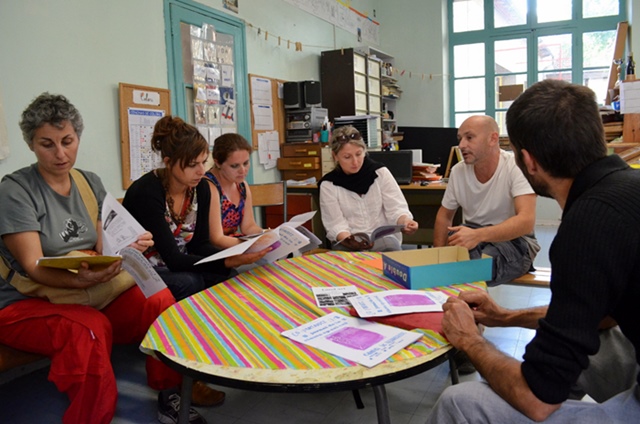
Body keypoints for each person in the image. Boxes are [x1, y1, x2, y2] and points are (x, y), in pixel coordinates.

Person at [426, 80, 640, 423]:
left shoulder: (586, 225)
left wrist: (469, 340)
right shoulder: (628, 187)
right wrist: (503, 317)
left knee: (459, 401)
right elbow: (606, 315)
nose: (463, 144)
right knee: (569, 356)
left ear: (528, 161)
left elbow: (537, 399)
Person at [0, 93, 204, 424]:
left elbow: (106, 241)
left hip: (86, 289)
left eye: (67, 140)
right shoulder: (16, 190)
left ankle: (171, 393)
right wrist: (80, 276)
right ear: (31, 145)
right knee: (89, 329)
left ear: (78, 136)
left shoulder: (88, 182)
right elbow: (33, 267)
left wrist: (133, 243)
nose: (61, 153)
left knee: (158, 297)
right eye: (46, 144)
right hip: (25, 302)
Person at [123, 116, 269, 302]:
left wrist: (235, 255)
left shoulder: (200, 188)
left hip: (179, 263)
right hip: (145, 268)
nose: (201, 171)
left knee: (229, 275)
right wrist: (227, 260)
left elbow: (200, 244)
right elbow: (173, 259)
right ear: (168, 162)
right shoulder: (147, 192)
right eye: (193, 165)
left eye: (203, 162)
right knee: (190, 282)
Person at [434, 115, 540, 286]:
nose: (461, 145)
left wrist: (478, 235)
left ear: (493, 139)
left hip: (515, 240)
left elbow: (526, 221)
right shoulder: (458, 171)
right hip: (473, 233)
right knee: (454, 257)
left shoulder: (516, 167)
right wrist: (437, 256)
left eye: (469, 138)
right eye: (460, 139)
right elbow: (444, 216)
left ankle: (468, 307)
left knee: (476, 265)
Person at [319, 125, 418, 251]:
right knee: (346, 261)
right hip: (349, 240)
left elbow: (396, 208)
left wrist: (405, 222)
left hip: (383, 239)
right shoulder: (328, 185)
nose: (355, 162)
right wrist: (350, 240)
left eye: (359, 154)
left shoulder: (380, 173)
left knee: (389, 250)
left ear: (365, 151)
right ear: (335, 156)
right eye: (347, 157)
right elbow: (335, 224)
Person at [205, 133, 265, 249]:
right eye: (234, 166)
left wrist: (265, 235)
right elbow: (216, 239)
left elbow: (248, 226)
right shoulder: (209, 186)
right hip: (213, 250)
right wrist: (251, 246)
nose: (243, 170)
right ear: (217, 163)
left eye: (246, 163)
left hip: (234, 244)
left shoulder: (242, 185)